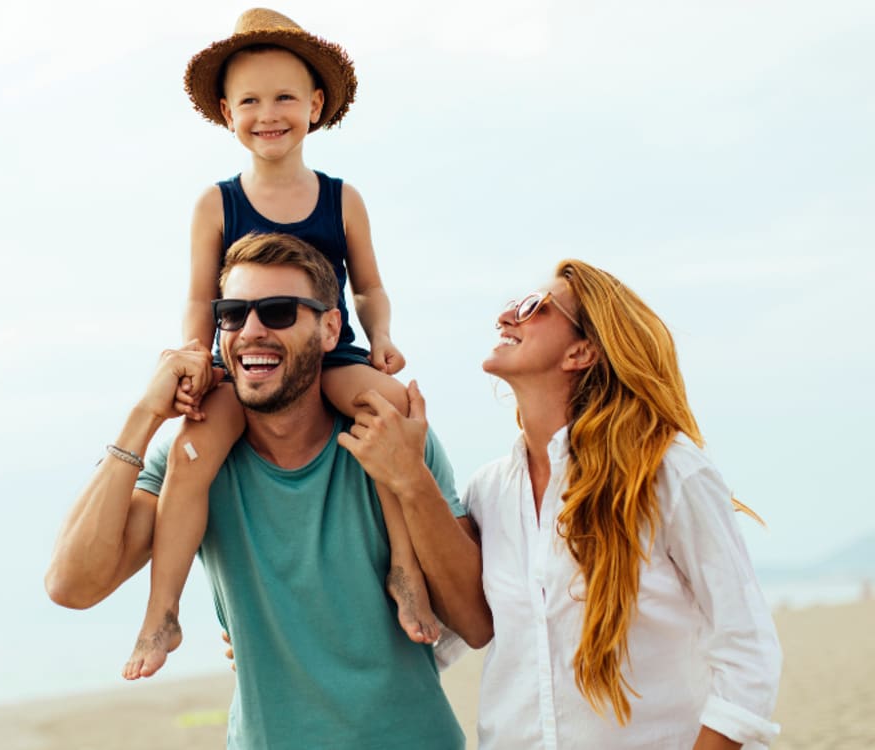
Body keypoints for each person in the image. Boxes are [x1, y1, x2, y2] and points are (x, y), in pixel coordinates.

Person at [44, 233, 490, 749]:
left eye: (278, 311)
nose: (251, 331)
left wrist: (410, 479)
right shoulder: (193, 461)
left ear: (329, 328)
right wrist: (143, 416)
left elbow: (474, 622)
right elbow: (70, 585)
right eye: (233, 314)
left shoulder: (391, 438)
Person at [349, 259, 783, 749]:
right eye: (512, 305)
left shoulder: (668, 475)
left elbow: (749, 655)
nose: (507, 316)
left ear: (583, 350)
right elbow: (444, 636)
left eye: (534, 307)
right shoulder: (490, 492)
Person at [125, 7, 433, 680]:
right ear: (226, 111)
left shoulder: (340, 197)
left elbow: (370, 287)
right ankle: (163, 611)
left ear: (315, 105)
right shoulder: (217, 203)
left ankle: (407, 569)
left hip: (331, 357)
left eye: (286, 97)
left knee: (389, 408)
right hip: (247, 365)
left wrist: (380, 338)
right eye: (251, 101)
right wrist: (194, 355)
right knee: (192, 448)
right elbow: (201, 296)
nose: (270, 114)